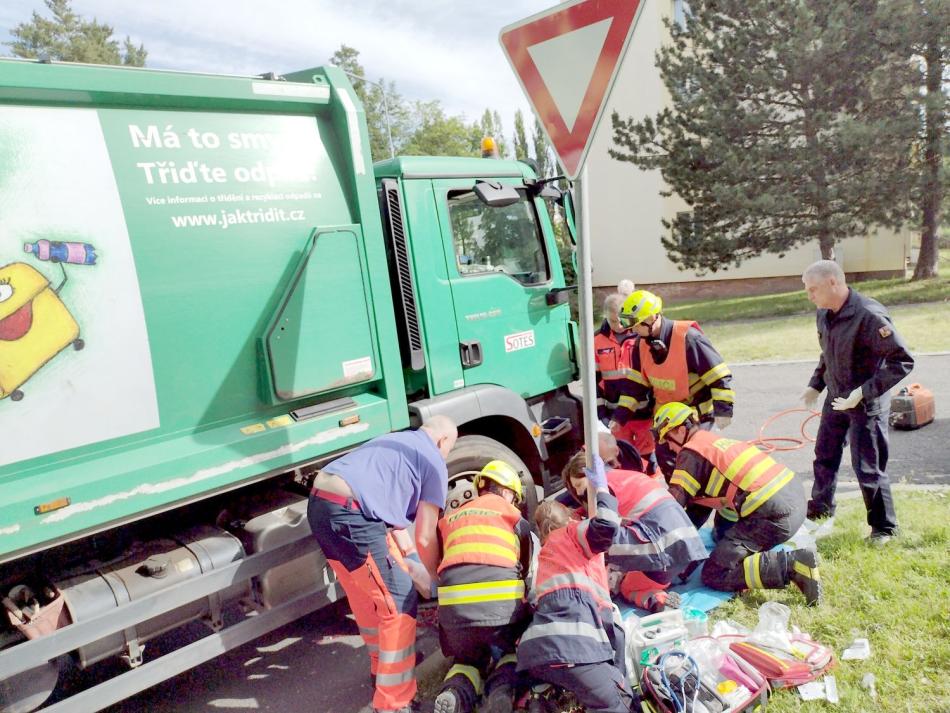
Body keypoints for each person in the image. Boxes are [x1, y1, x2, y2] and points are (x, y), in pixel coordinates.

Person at [307, 416, 458, 713]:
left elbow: (391, 516)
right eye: (448, 450)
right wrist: (433, 579)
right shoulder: (433, 460)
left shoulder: (397, 442)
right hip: (351, 513)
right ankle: (395, 703)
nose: (446, 457)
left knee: (366, 592)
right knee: (399, 598)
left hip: (321, 505)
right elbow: (427, 535)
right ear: (442, 442)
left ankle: (382, 669)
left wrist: (410, 559)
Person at [653, 402, 822, 606]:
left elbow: (673, 507)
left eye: (668, 439)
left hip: (774, 515)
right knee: (721, 535)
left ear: (680, 430)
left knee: (715, 572)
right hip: (793, 499)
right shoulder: (713, 442)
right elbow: (698, 510)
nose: (669, 447)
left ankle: (792, 565)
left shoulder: (690, 452)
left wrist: (653, 542)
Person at [800, 260, 914, 544]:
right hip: (837, 397)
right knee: (824, 456)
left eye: (813, 289)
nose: (809, 295)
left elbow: (902, 361)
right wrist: (815, 385)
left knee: (868, 467)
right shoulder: (824, 313)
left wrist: (864, 392)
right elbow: (827, 353)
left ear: (833, 283)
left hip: (865, 404)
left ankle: (883, 528)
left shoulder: (868, 315)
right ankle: (820, 512)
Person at [517, 456, 637, 713]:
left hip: (534, 654)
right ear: (569, 519)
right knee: (618, 701)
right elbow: (605, 526)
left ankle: (543, 700)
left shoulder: (543, 559)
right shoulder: (573, 533)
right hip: (573, 648)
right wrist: (603, 490)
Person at [433, 461, 534, 713]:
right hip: (502, 617)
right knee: (511, 651)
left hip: (454, 617)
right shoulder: (512, 516)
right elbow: (526, 567)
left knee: (466, 659)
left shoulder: (452, 517)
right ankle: (501, 689)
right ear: (509, 492)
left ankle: (456, 692)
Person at [562, 447, 707, 612]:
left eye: (579, 485)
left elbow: (605, 532)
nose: (579, 492)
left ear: (588, 474)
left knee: (626, 584)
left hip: (664, 546)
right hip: (685, 544)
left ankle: (658, 600)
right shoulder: (622, 476)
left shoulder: (603, 489)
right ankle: (674, 574)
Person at [618, 289, 734, 480]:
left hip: (696, 416)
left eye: (637, 325)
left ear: (652, 317)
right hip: (666, 420)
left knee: (694, 464)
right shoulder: (641, 345)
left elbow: (719, 376)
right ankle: (681, 503)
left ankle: (697, 504)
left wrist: (724, 411)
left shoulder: (689, 338)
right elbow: (636, 385)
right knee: (668, 464)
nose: (633, 331)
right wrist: (620, 416)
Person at [595, 293, 657, 474]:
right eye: (613, 321)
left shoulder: (641, 336)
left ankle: (651, 488)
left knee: (648, 456)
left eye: (622, 320)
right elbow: (595, 381)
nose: (619, 325)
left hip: (643, 411)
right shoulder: (597, 340)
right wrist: (601, 412)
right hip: (615, 415)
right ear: (605, 316)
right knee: (623, 456)